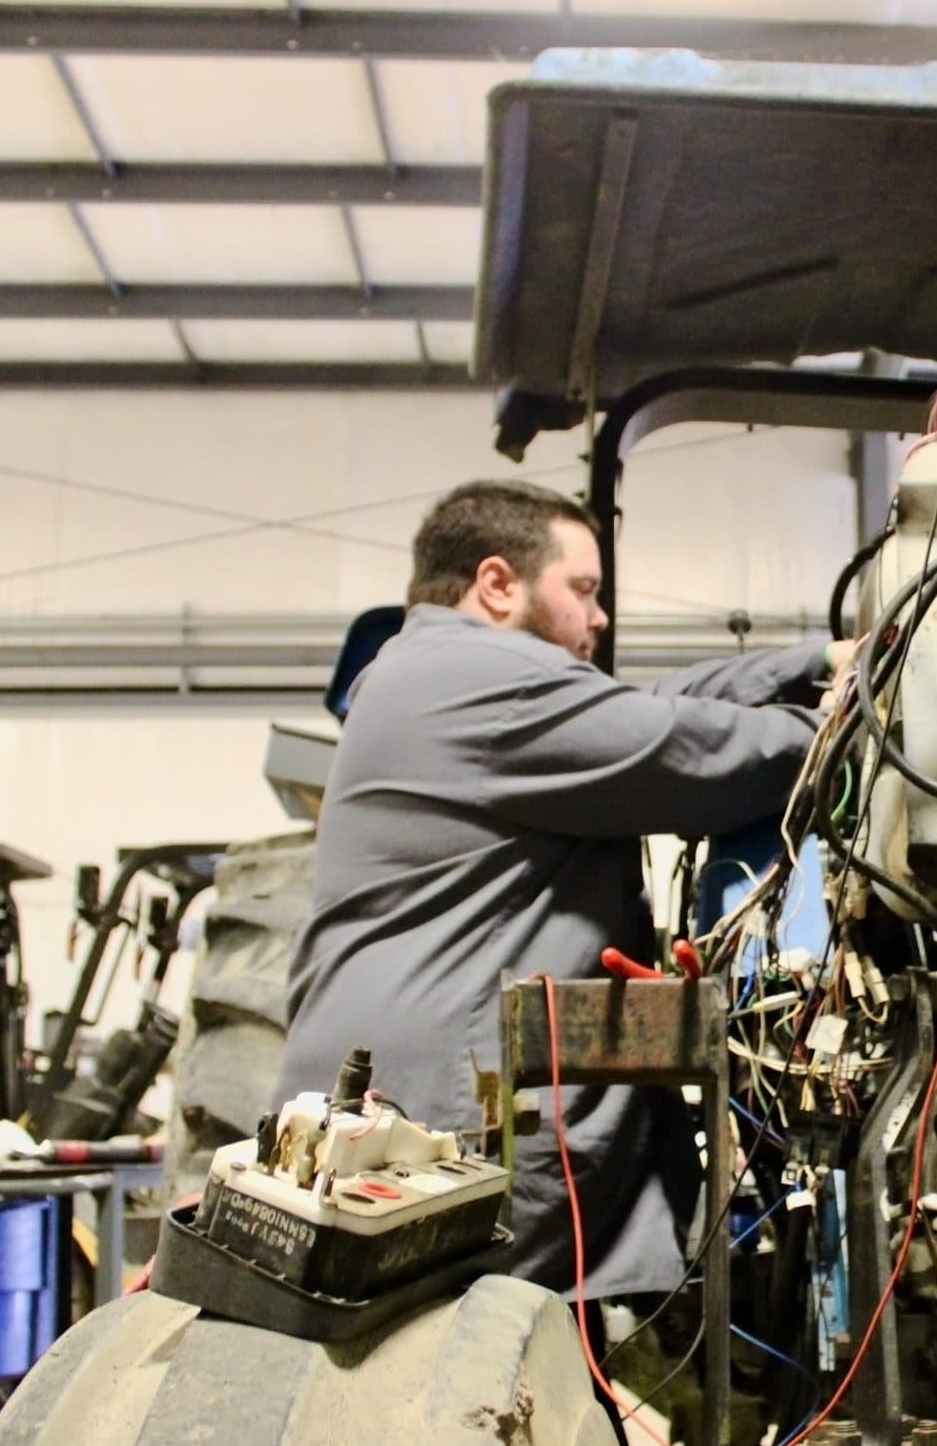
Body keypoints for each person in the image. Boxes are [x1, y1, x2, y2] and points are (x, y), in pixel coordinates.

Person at [273, 478, 846, 1309]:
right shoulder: (482, 683)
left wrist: (817, 663)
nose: (601, 615)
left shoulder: (428, 670)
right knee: (486, 1383)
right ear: (498, 583)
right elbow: (681, 748)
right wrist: (845, 724)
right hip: (446, 1130)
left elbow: (645, 706)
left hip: (399, 1114)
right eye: (583, 590)